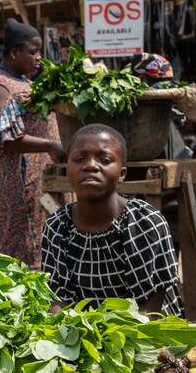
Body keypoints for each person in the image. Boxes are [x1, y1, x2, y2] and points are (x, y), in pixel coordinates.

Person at [41, 124, 183, 316]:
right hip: (83, 327)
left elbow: (148, 310)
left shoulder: (145, 223)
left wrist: (106, 334)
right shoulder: (57, 226)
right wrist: (58, 326)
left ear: (122, 174)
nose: (90, 166)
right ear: (67, 169)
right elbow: (58, 296)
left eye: (105, 160)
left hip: (144, 327)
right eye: (79, 159)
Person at [0, 18, 65, 269]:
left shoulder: (24, 81)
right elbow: (5, 140)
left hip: (41, 181)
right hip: (21, 184)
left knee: (46, 234)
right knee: (24, 243)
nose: (39, 58)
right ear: (14, 53)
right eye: (33, 52)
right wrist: (50, 146)